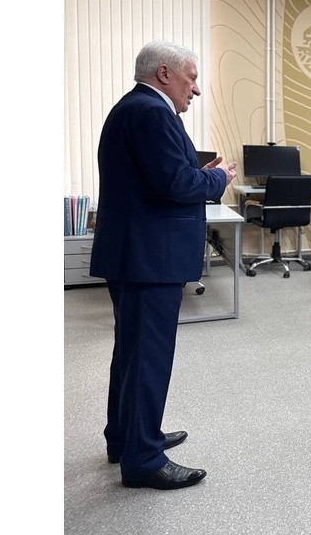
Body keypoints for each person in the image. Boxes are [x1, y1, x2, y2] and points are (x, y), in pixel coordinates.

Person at [90, 41, 236, 490]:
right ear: (165, 74)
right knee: (148, 357)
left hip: (137, 255)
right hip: (149, 259)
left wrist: (199, 173)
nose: (196, 89)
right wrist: (218, 178)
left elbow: (159, 178)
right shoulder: (153, 112)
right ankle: (144, 459)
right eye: (192, 78)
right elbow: (175, 184)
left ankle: (128, 438)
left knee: (132, 354)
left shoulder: (136, 108)